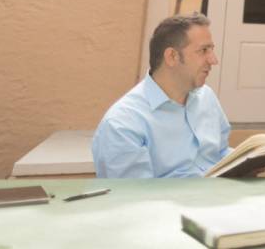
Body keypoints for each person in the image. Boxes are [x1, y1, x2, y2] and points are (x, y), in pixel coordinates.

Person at [92, 12, 233, 178]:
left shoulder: (206, 97)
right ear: (172, 56)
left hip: (222, 197)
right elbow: (134, 197)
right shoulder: (122, 125)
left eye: (211, 50)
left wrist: (251, 160)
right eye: (203, 50)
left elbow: (220, 152)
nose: (213, 60)